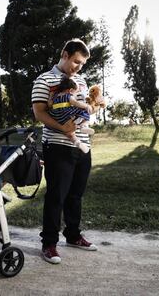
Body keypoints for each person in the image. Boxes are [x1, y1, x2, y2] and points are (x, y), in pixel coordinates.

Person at [31, 38, 104, 264]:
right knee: (56, 196)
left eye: (82, 64)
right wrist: (63, 127)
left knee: (76, 195)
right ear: (64, 54)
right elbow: (39, 113)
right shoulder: (44, 79)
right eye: (75, 62)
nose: (78, 68)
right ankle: (49, 244)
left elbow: (82, 109)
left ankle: (73, 236)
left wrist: (94, 107)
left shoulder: (81, 80)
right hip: (57, 146)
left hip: (82, 145)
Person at [47, 76, 95, 153]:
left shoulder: (55, 96)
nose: (75, 94)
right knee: (84, 111)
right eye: (75, 92)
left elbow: (49, 105)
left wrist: (50, 97)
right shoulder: (68, 96)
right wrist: (86, 106)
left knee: (69, 133)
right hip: (66, 113)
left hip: (56, 117)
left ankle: (78, 143)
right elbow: (76, 103)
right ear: (70, 90)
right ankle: (83, 126)